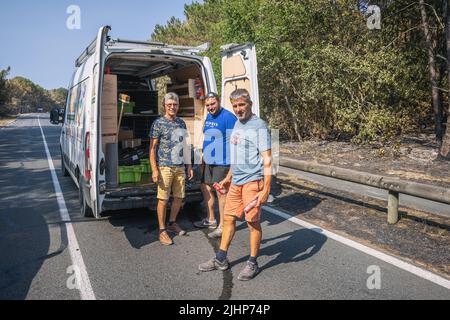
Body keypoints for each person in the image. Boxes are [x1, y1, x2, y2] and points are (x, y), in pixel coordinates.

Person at [198, 88, 272, 281]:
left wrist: (265, 189)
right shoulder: (237, 124)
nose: (239, 109)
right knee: (228, 220)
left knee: (252, 222)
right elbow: (237, 157)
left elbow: (268, 160)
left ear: (250, 104)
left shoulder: (259, 126)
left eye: (242, 105)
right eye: (236, 106)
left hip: (252, 183)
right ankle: (221, 258)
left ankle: (252, 263)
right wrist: (228, 178)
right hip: (236, 182)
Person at [150, 92, 194, 246]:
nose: (172, 107)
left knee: (179, 197)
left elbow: (186, 146)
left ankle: (172, 222)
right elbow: (152, 148)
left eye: (175, 105)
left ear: (178, 106)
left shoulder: (181, 123)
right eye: (169, 105)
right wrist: (154, 169)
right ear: (164, 106)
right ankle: (162, 231)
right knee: (163, 199)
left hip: (180, 167)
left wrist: (189, 165)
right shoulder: (158, 123)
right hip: (164, 166)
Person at [193, 92, 237, 238]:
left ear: (218, 101)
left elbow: (235, 142)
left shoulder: (228, 117)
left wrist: (232, 167)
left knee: (221, 193)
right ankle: (211, 219)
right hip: (209, 161)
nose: (211, 107)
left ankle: (223, 226)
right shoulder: (209, 116)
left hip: (222, 162)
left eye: (213, 104)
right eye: (208, 105)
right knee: (205, 187)